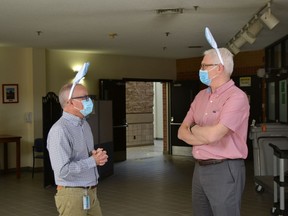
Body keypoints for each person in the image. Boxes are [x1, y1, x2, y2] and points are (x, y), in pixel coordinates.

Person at [178, 48, 250, 216]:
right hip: (199, 169)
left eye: (204, 65)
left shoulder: (236, 97)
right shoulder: (201, 96)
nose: (201, 69)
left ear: (219, 68)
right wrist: (204, 135)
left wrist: (194, 129)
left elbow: (214, 135)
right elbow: (181, 132)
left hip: (224, 169)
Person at [47, 83, 108, 216]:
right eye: (84, 98)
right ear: (70, 102)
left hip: (91, 192)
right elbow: (62, 171)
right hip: (72, 194)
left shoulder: (84, 124)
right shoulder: (59, 130)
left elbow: (83, 156)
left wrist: (97, 156)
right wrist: (92, 161)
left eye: (89, 97)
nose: (89, 101)